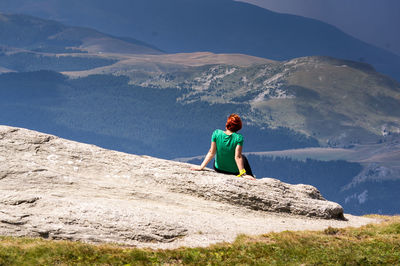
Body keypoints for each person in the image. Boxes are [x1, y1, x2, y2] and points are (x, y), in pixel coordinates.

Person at [191, 114, 255, 179]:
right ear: (238, 127)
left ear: (227, 124)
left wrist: (201, 167)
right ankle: (251, 176)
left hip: (218, 169)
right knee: (243, 157)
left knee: (217, 157)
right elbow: (237, 157)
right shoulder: (239, 138)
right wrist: (243, 174)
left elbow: (211, 152)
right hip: (234, 172)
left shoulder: (216, 133)